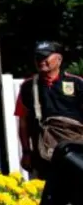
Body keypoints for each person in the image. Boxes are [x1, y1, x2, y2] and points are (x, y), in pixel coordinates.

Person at [14, 40, 83, 180]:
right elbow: (23, 123)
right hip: (43, 157)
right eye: (38, 57)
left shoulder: (77, 83)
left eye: (45, 56)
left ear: (59, 59)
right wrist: (26, 152)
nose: (41, 61)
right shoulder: (28, 87)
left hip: (76, 154)